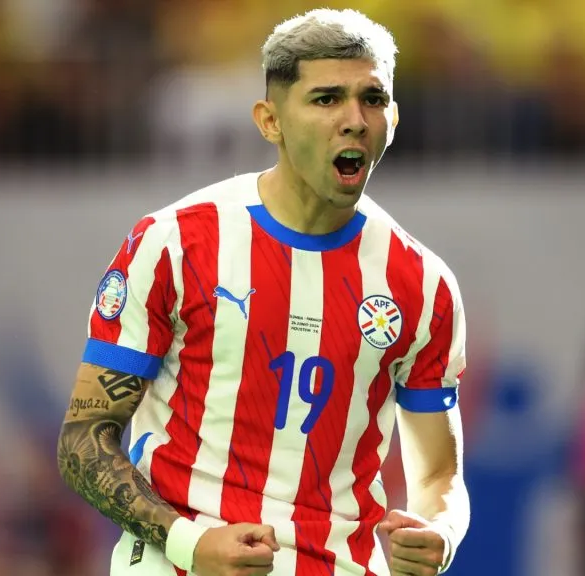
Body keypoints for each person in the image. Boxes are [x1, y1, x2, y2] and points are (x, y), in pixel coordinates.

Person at [56, 8, 470, 576]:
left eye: (372, 99)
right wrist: (188, 544)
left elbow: (437, 475)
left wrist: (441, 530)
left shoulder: (422, 283)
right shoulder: (175, 245)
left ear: (393, 118)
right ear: (269, 121)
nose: (354, 119)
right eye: (326, 99)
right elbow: (84, 441)